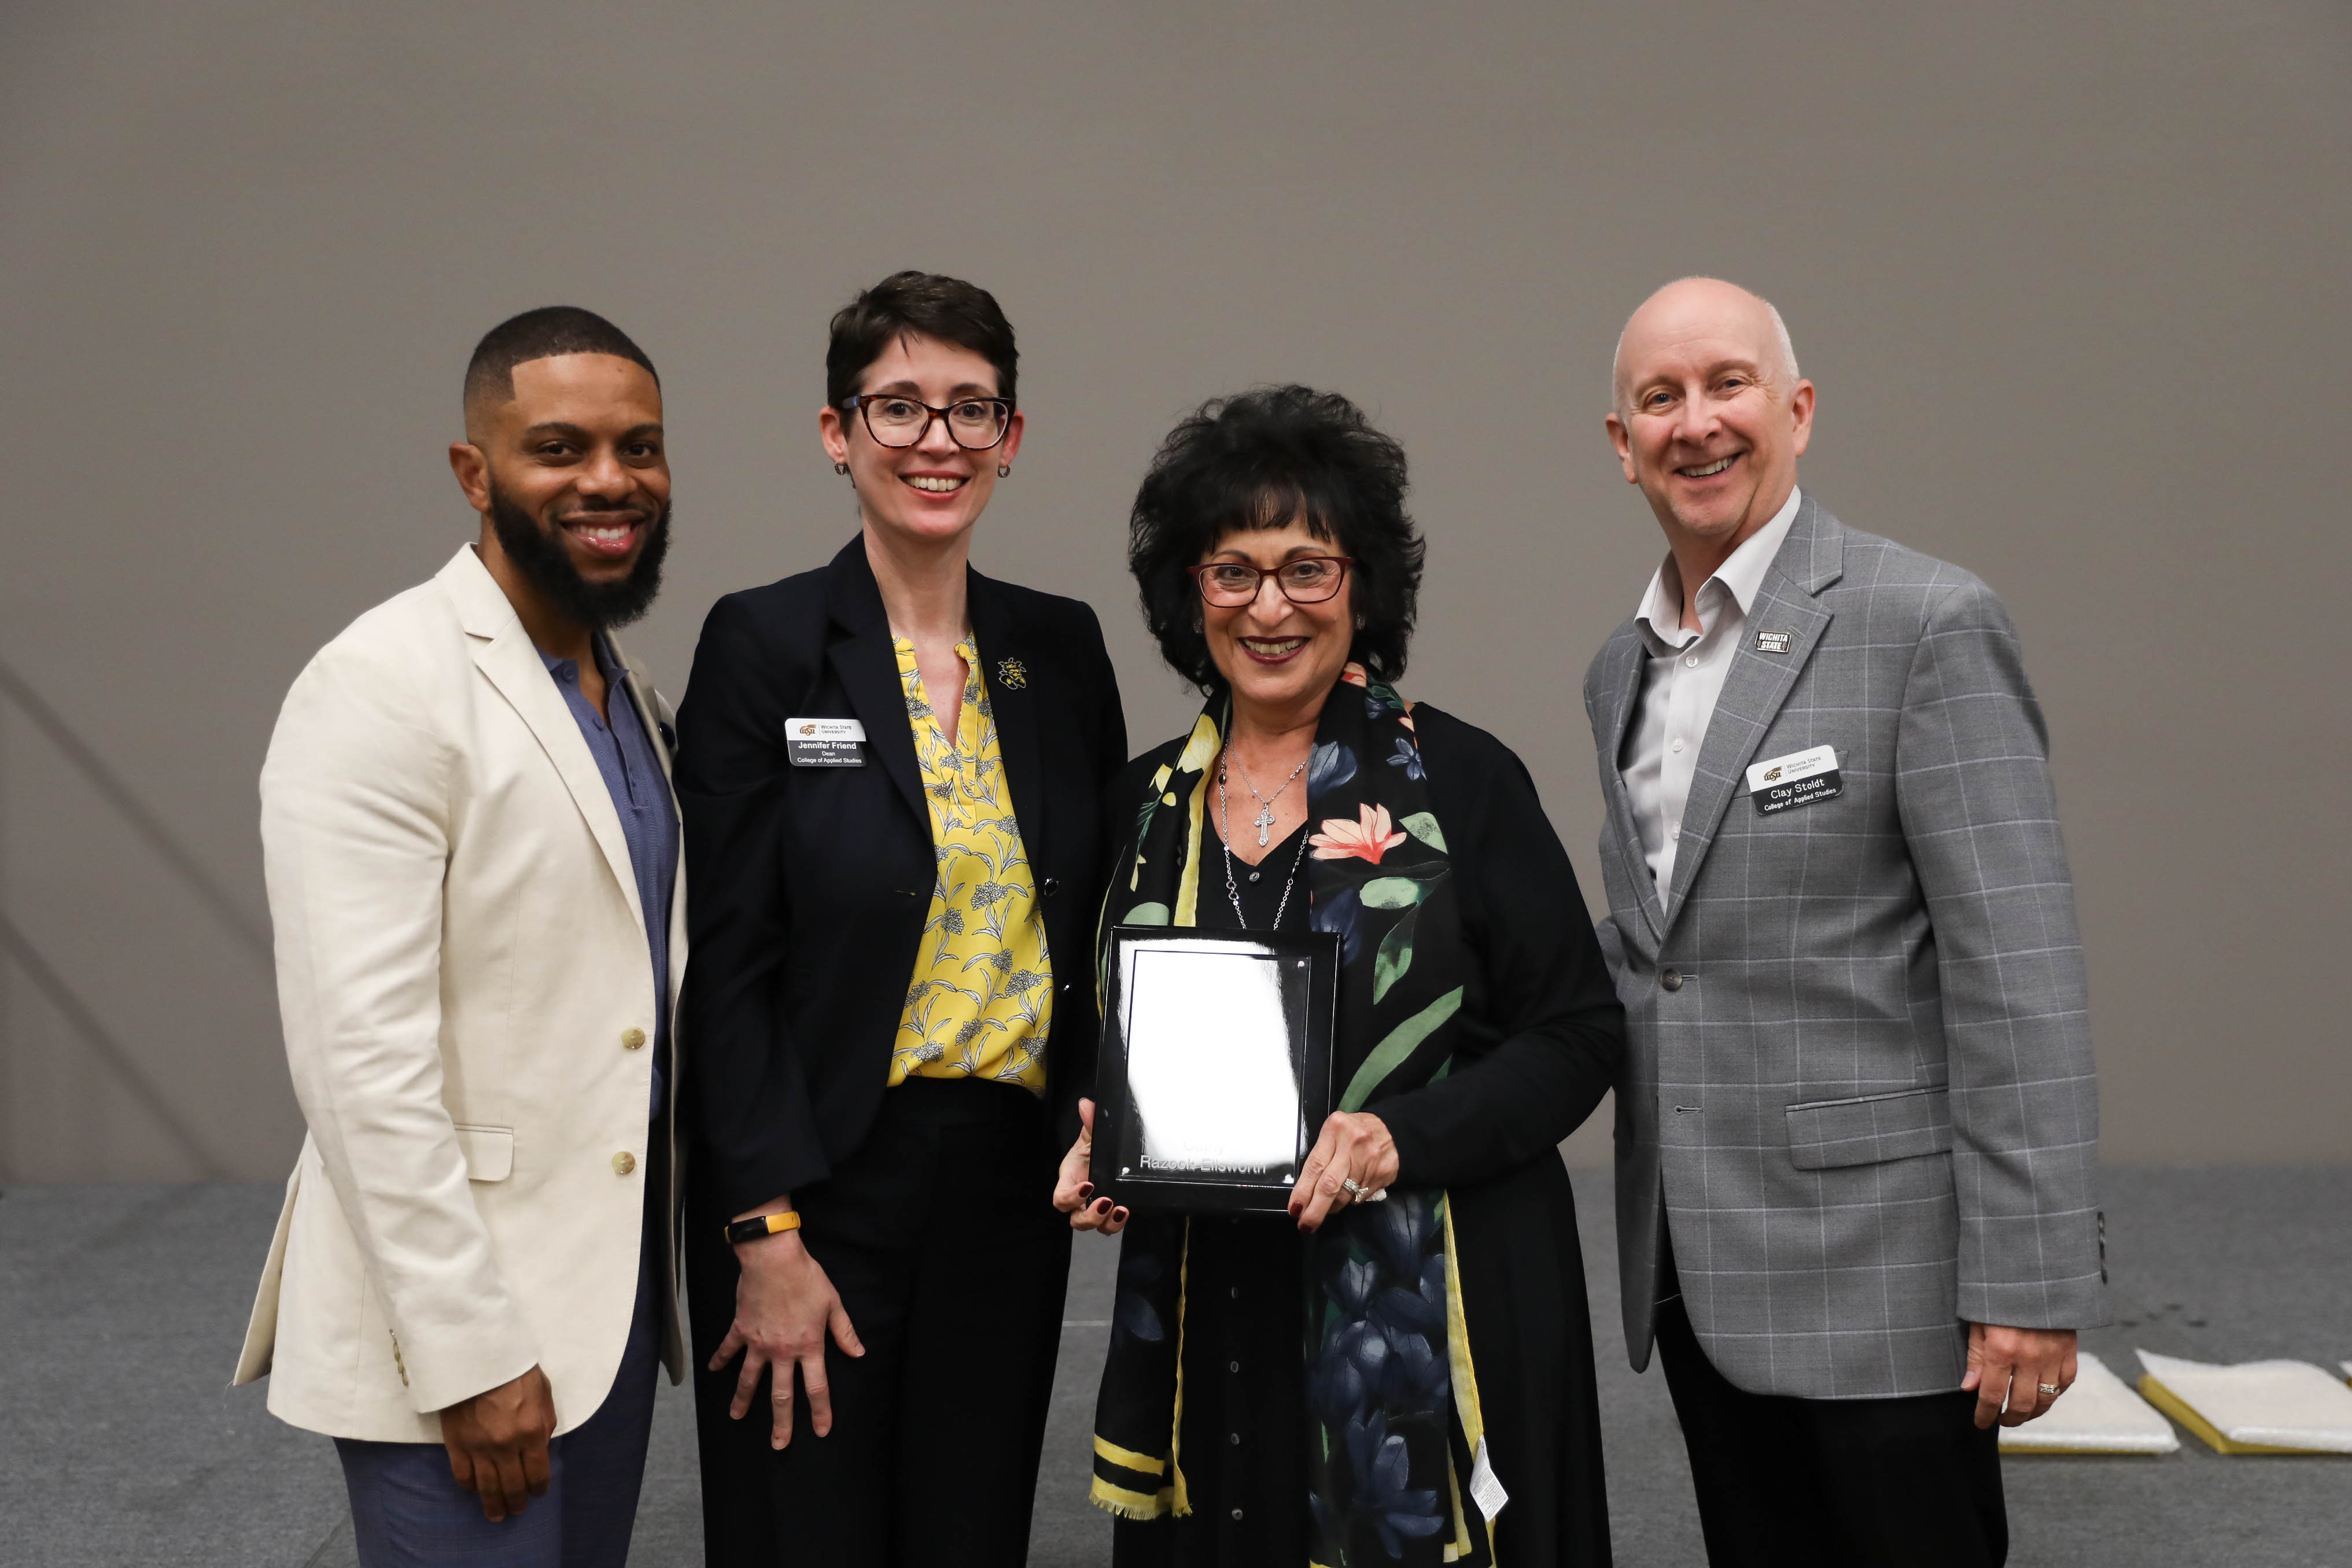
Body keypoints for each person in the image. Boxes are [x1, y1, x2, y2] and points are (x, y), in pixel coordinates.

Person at [1584, 277, 2104, 1567]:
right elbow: (1659, 959)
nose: (1695, 423)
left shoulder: (1922, 623)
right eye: (1660, 397)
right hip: (1699, 1273)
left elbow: (2016, 970)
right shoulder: (1618, 671)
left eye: (1727, 385)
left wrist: (2027, 1285)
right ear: (1620, 442)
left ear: (1798, 411)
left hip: (1885, 1287)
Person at [1060, 385, 1624, 1567]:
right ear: (1189, 596)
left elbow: (1575, 1034)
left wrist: (1394, 1138)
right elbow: (1093, 1037)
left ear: (1360, 586)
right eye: (1232, 571)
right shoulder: (1139, 803)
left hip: (1430, 1302)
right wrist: (1093, 1140)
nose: (1270, 607)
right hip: (1211, 1310)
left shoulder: (1461, 782)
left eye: (1306, 568)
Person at [675, 270, 1128, 1566]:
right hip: (815, 1182)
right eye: (899, 407)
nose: (936, 441)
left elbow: (1090, 925)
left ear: (1011, 439)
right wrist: (760, 1227)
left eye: (970, 410)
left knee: (968, 1531)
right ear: (837, 433)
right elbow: (728, 963)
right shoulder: (763, 645)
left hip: (1001, 1184)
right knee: (800, 1535)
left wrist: (1104, 1108)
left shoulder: (1061, 648)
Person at [231, 306, 687, 1566]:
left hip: (604, 1305)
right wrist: (472, 1353)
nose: (609, 481)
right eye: (559, 447)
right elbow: (359, 1062)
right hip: (457, 1330)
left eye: (639, 448)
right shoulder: (378, 686)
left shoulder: (627, 692)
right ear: (473, 473)